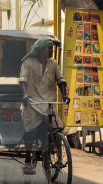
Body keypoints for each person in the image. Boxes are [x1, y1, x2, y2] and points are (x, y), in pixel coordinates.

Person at [19, 38, 70, 175]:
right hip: (32, 103)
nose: (52, 51)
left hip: (48, 104)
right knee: (31, 132)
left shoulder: (52, 63)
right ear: (41, 50)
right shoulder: (28, 62)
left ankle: (56, 155)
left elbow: (61, 80)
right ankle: (28, 161)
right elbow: (23, 80)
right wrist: (25, 95)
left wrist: (64, 95)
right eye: (49, 48)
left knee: (57, 128)